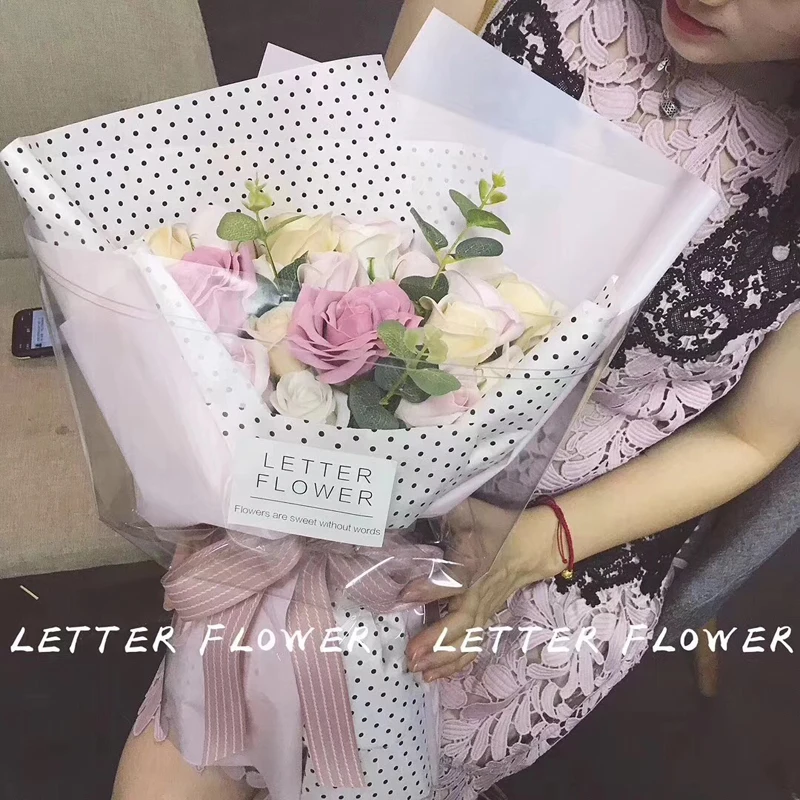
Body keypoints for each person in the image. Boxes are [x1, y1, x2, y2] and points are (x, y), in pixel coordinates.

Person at [113, 1, 800, 798]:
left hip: (560, 539)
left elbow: (752, 435)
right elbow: (356, 206)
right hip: (354, 449)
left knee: (366, 762)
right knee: (189, 753)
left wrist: (533, 547)